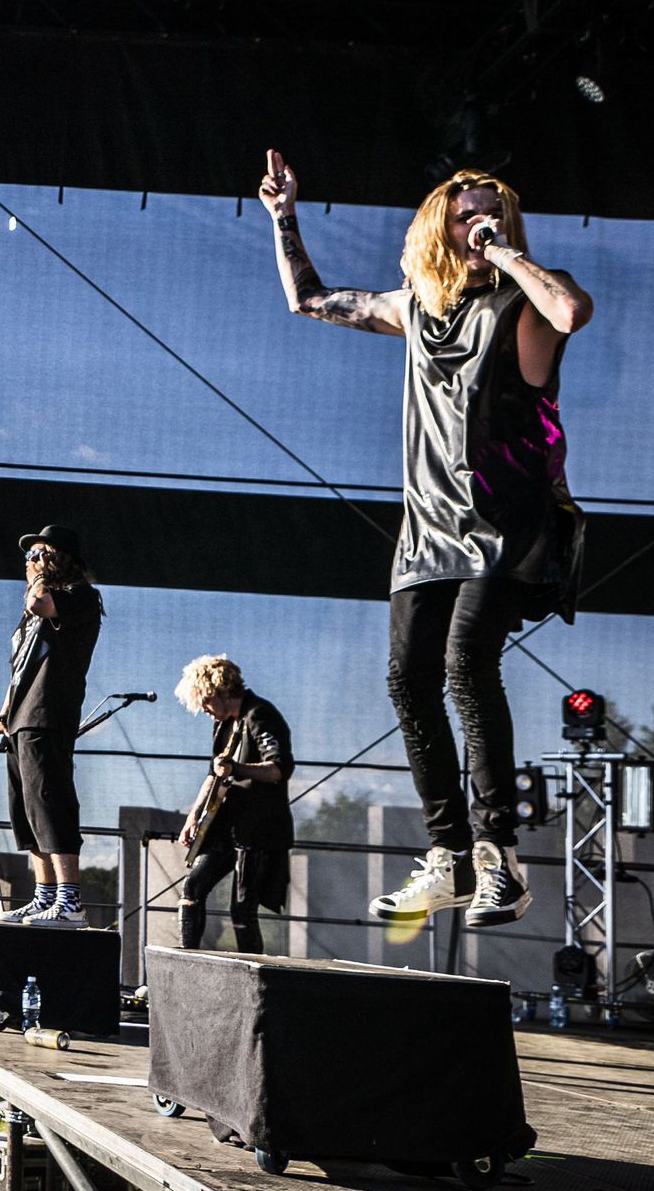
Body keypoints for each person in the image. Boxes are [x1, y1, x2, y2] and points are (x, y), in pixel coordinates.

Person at [264, 150, 592, 928]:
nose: (480, 219)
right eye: (466, 210)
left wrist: (507, 250)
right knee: (408, 680)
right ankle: (445, 856)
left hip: (505, 523)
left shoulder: (521, 305)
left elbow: (573, 312)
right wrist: (284, 215)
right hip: (428, 530)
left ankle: (498, 858)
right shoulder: (414, 306)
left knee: (465, 663)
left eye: (495, 210)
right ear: (436, 224)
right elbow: (307, 298)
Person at [0, 523, 104, 928]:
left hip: (48, 713)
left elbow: (43, 603)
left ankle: (70, 901)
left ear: (60, 559)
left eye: (38, 554)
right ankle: (43, 897)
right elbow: (19, 669)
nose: (30, 563)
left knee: (50, 801)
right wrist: (2, 716)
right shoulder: (30, 615)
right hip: (21, 718)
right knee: (27, 810)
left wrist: (38, 579)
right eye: (28, 557)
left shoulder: (80, 597)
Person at [170, 656, 294, 955]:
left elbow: (279, 769)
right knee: (192, 889)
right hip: (228, 826)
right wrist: (192, 818)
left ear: (223, 689)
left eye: (207, 700)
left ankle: (251, 981)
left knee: (242, 909)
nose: (204, 708)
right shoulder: (224, 724)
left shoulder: (260, 714)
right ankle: (187, 962)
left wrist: (238, 769)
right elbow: (215, 773)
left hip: (259, 830)